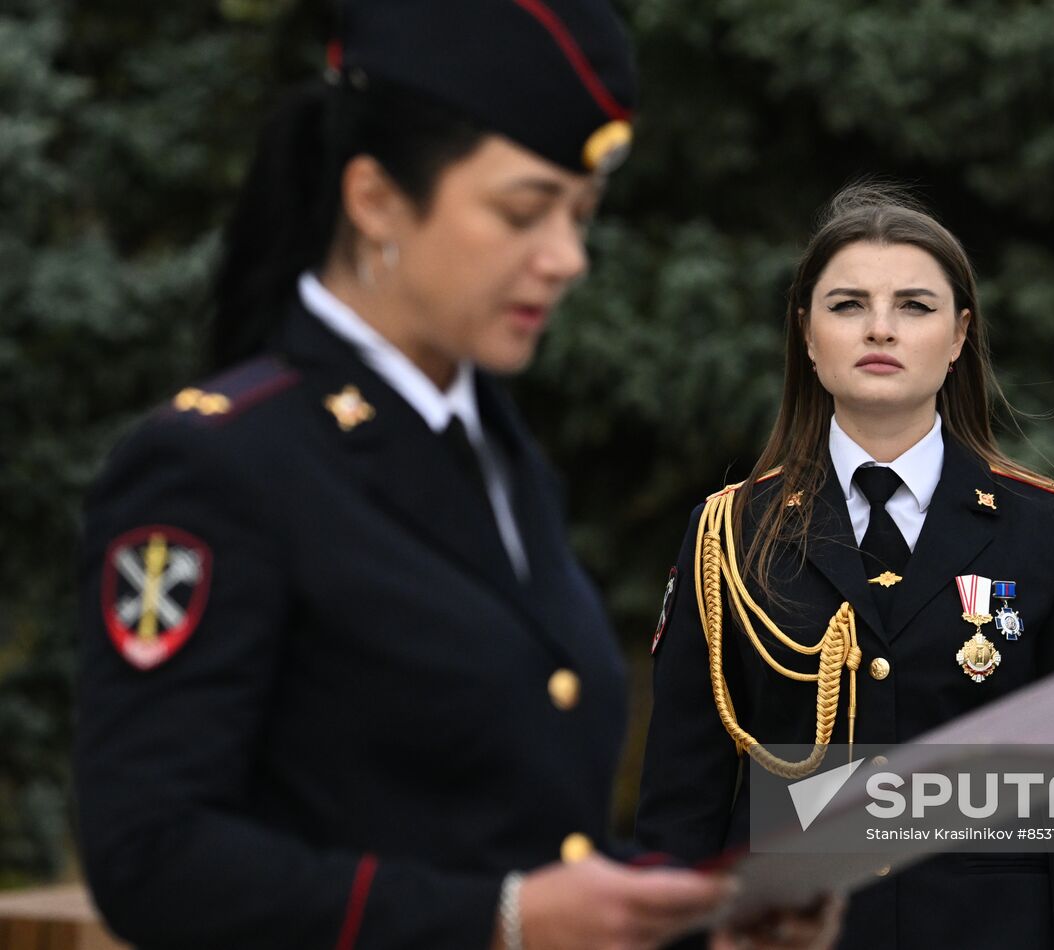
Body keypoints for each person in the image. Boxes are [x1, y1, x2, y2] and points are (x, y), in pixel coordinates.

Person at [74, 2, 840, 948]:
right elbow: (151, 855)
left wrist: (700, 925)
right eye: (523, 211)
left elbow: (505, 832)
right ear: (377, 200)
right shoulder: (217, 465)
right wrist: (502, 922)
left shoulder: (495, 452)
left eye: (581, 214)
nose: (567, 258)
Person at [636, 184, 1054, 949]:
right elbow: (682, 805)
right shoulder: (728, 535)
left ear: (961, 335)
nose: (880, 329)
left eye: (915, 306)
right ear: (805, 333)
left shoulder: (1050, 534)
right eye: (847, 304)